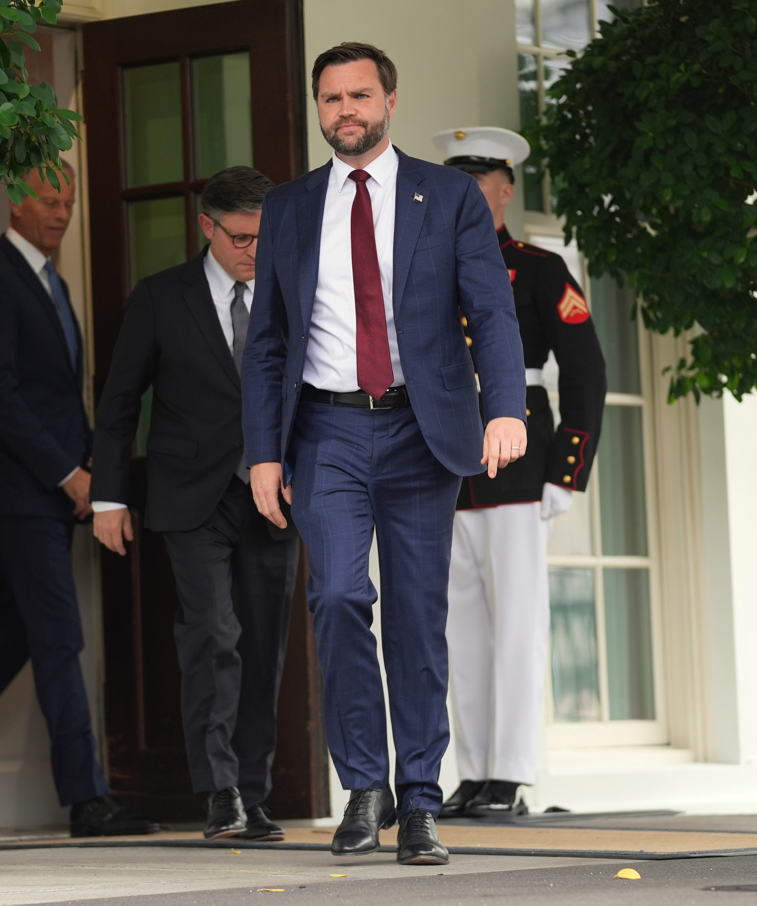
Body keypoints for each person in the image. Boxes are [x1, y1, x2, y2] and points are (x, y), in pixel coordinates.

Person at [241, 43, 527, 866]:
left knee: (415, 617)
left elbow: (493, 313)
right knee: (334, 598)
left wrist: (503, 410)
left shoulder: (447, 197)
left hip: (421, 433)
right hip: (325, 432)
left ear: (390, 101)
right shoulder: (291, 206)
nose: (345, 112)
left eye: (359, 95)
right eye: (330, 99)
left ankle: (422, 801)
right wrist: (264, 454)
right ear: (319, 108)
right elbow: (267, 343)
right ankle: (364, 788)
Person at [89, 167, 300, 843]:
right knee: (213, 636)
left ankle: (257, 793)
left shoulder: (292, 292)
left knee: (264, 644)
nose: (252, 251)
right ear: (205, 227)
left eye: (263, 238)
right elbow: (120, 403)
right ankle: (220, 791)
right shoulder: (159, 298)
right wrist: (109, 497)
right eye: (239, 237)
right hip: (190, 499)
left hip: (276, 496)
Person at [0, 163, 157, 837]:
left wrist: (93, 458)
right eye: (49, 197)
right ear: (14, 201)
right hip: (19, 493)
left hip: (52, 487)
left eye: (68, 199)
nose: (62, 210)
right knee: (59, 633)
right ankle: (86, 800)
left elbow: (55, 398)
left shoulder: (50, 281)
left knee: (17, 631)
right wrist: (67, 475)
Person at [430, 127, 608, 818]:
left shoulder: (538, 267)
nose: (470, 197)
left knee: (518, 626)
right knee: (459, 632)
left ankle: (510, 775)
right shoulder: (423, 270)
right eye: (457, 185)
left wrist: (568, 468)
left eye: (481, 184)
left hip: (518, 465)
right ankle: (473, 775)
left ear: (505, 190)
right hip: (447, 470)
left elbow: (586, 370)